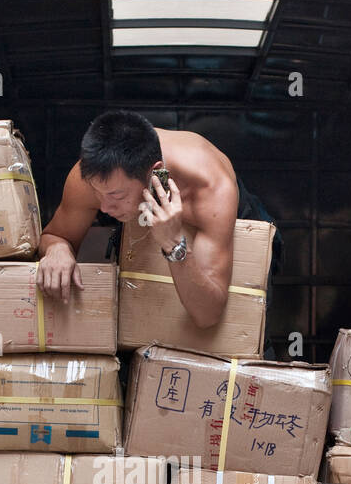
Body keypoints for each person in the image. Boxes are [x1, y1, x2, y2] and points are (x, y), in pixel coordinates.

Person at [36, 110, 281, 334]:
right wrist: (58, 249)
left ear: (155, 173)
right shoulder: (91, 178)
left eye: (115, 196)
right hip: (142, 206)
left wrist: (174, 244)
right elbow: (56, 235)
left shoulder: (210, 188)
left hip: (239, 218)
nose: (103, 208)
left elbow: (208, 315)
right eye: (97, 193)